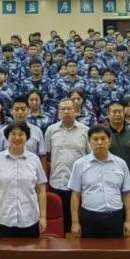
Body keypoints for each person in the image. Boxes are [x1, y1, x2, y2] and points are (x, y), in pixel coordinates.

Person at [68, 125, 130, 238]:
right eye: (95, 139)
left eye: (103, 139)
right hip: (90, 217)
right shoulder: (79, 164)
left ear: (109, 141)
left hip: (115, 216)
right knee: (90, 253)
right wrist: (75, 222)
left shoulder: (121, 164)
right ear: (89, 142)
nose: (99, 142)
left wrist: (128, 221)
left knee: (115, 253)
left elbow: (127, 194)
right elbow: (75, 195)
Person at [0, 121, 47, 239]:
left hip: (30, 218)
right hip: (4, 218)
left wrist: (43, 217)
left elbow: (41, 190)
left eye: (21, 134)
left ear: (27, 137)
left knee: (29, 255)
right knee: (6, 256)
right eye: (13, 134)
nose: (17, 137)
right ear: (7, 137)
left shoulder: (34, 159)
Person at [41, 98, 89, 233]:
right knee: (59, 223)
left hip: (79, 185)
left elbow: (90, 158)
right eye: (63, 109)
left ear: (76, 111)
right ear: (58, 113)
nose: (66, 111)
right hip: (57, 182)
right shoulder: (51, 130)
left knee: (77, 223)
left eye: (69, 108)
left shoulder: (85, 131)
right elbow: (47, 156)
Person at [106, 100, 130, 189]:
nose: (118, 114)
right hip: (108, 180)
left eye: (120, 112)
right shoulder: (103, 133)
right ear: (108, 114)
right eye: (114, 112)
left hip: (129, 180)